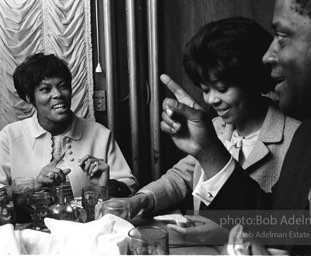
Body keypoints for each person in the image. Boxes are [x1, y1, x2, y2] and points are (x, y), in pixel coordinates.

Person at [156, 0, 311, 254]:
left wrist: (221, 233)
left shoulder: (297, 133)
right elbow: (286, 224)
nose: (267, 55)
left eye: (283, 36)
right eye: (206, 89)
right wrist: (207, 150)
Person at [123, 17, 300, 243]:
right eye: (205, 89)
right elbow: (181, 177)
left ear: (252, 79)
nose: (212, 99)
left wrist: (227, 234)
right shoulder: (215, 127)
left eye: (222, 88)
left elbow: (308, 227)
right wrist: (141, 199)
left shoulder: (297, 139)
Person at [0, 53, 138, 204]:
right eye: (46, 89)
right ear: (29, 97)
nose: (58, 94)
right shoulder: (11, 135)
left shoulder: (99, 133)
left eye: (63, 86)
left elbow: (130, 187)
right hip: (30, 228)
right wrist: (32, 187)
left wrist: (108, 184)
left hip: (87, 226)